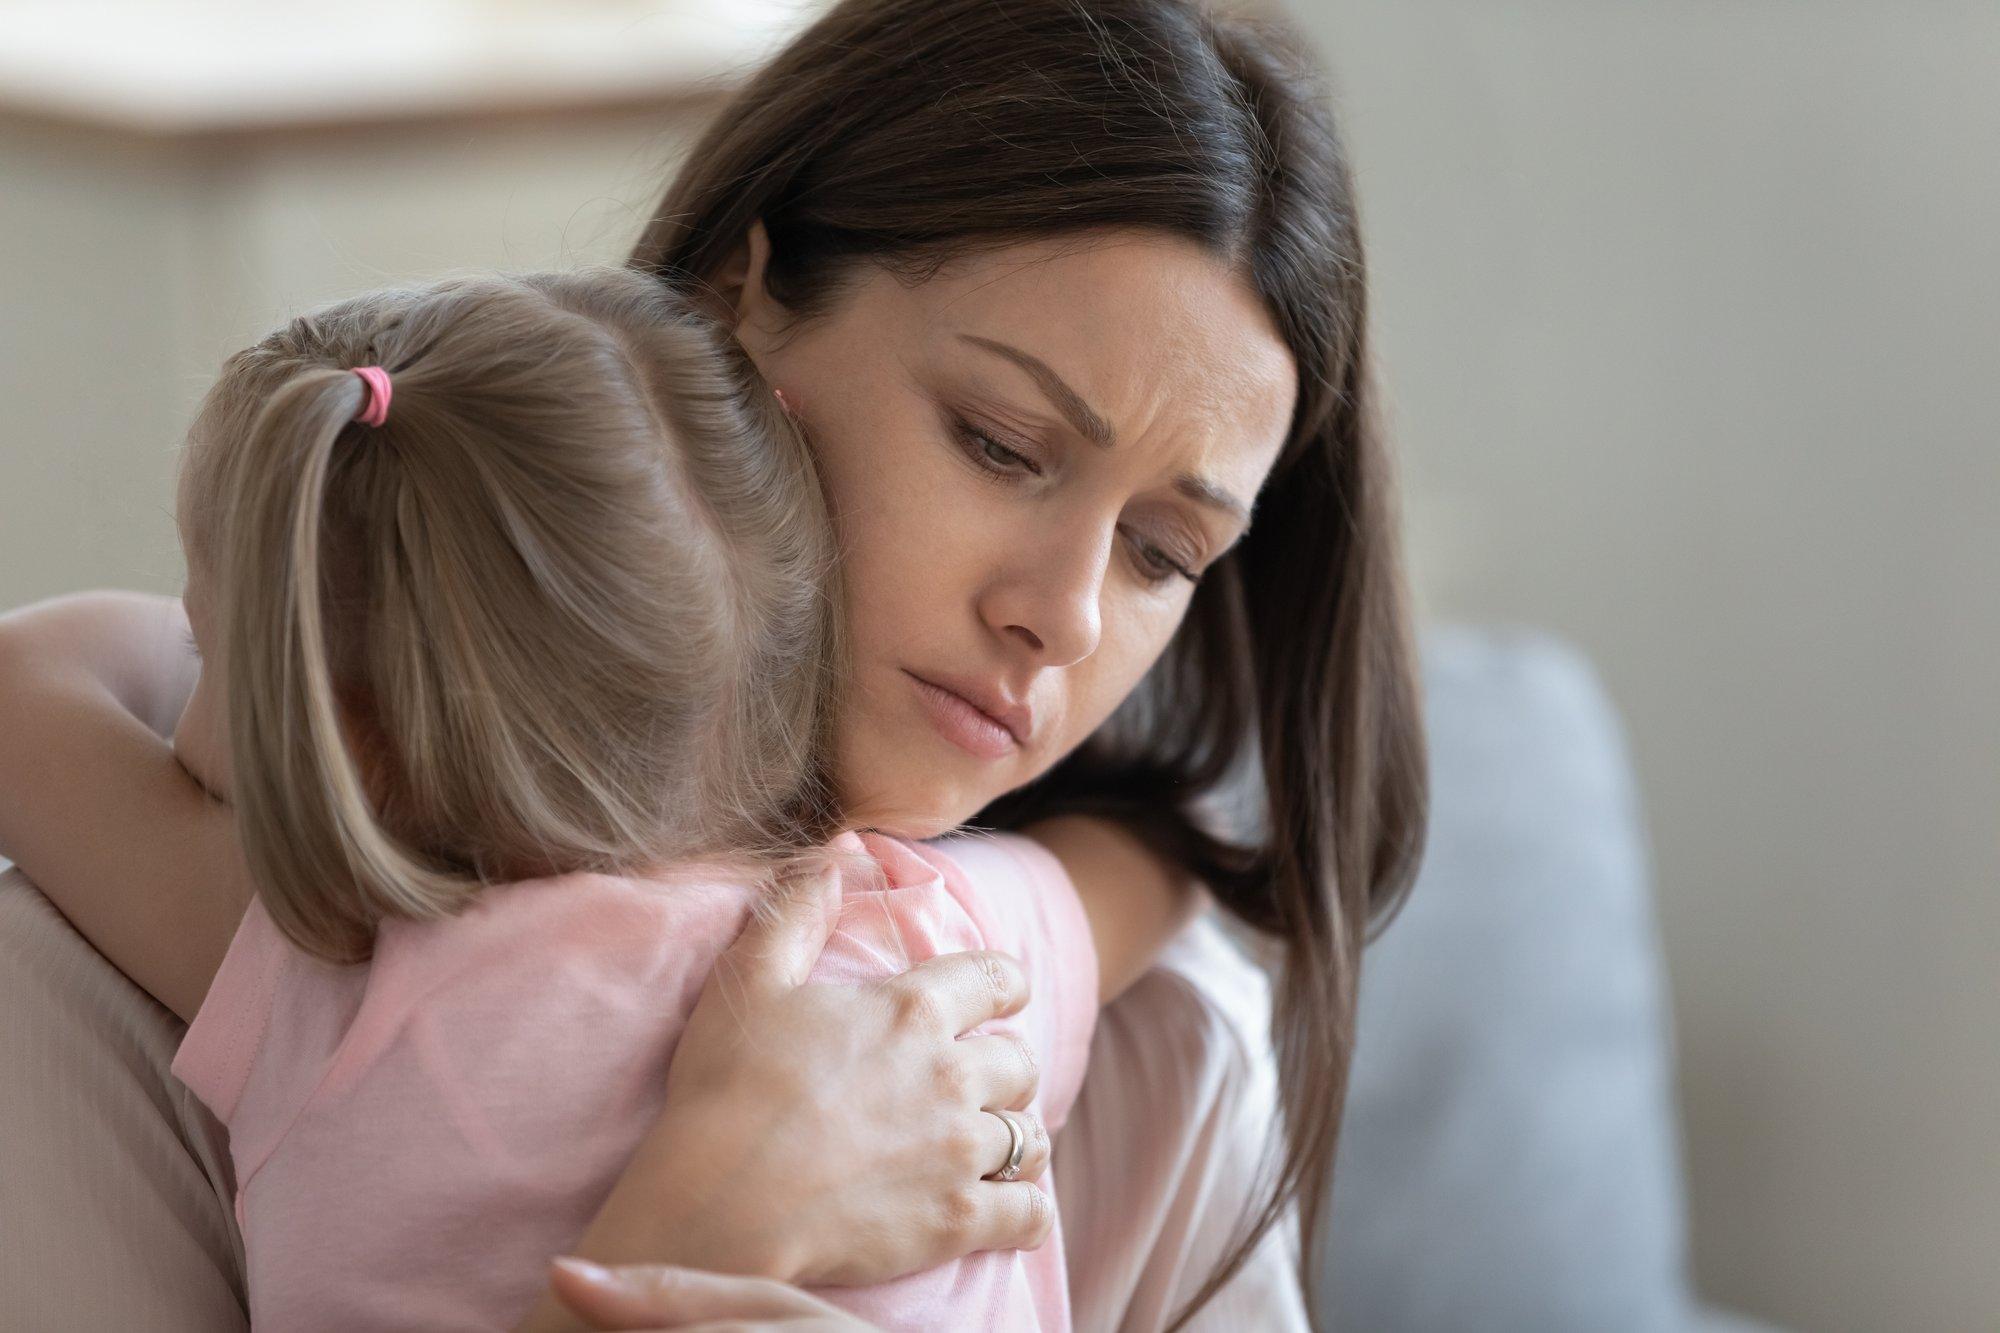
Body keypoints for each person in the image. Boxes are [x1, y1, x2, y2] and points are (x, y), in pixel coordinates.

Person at [0, 0, 1428, 1328]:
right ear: (739, 294)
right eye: (998, 443)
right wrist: (691, 1229)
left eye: (1163, 554)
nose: (1058, 614)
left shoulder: (1170, 1042)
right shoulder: (925, 949)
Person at [0, 264, 1196, 1331]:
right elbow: (1152, 873)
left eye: (215, 662)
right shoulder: (917, 940)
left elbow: (22, 682)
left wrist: (288, 632)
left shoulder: (336, 981)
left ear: (345, 744)